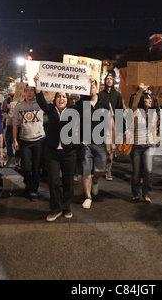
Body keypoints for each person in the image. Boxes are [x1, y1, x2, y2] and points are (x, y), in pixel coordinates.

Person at [34, 74, 79, 221]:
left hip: (69, 152)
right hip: (52, 152)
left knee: (68, 181)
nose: (61, 99)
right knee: (53, 181)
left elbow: (85, 101)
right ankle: (55, 208)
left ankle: (66, 207)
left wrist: (90, 86)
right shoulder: (50, 110)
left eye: (64, 97)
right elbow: (40, 100)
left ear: (68, 99)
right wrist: (37, 84)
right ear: (55, 99)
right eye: (59, 96)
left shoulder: (73, 111)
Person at [74, 77, 116, 209]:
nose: (91, 89)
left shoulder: (104, 102)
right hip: (85, 142)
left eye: (93, 87)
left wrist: (113, 142)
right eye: (88, 87)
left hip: (100, 141)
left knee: (101, 168)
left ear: (97, 88)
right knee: (86, 170)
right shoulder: (82, 102)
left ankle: (95, 180)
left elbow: (111, 124)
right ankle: (87, 197)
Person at [12, 85, 45, 200]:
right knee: (25, 167)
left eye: (32, 90)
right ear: (24, 92)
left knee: (36, 166)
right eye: (28, 90)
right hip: (25, 139)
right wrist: (15, 139)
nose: (30, 93)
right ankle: (28, 182)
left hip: (39, 139)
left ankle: (34, 190)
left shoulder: (40, 103)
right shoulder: (19, 106)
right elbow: (15, 123)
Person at [129, 84, 158, 203]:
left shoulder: (153, 113)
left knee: (149, 170)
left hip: (148, 146)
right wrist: (141, 91)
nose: (149, 100)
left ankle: (146, 193)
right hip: (137, 145)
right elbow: (133, 105)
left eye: (150, 99)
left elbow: (154, 129)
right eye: (147, 98)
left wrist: (155, 142)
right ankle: (136, 193)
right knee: (136, 172)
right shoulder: (137, 112)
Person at [99, 73, 124, 181]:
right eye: (107, 79)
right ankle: (100, 169)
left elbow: (119, 111)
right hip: (101, 125)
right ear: (105, 81)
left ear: (113, 81)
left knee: (111, 151)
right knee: (101, 149)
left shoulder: (117, 95)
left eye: (110, 79)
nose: (109, 81)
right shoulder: (100, 94)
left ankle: (108, 171)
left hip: (112, 126)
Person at [1, 86, 20, 168]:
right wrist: (5, 107)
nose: (12, 97)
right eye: (11, 95)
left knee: (18, 141)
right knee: (8, 141)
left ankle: (17, 158)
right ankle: (10, 155)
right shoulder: (6, 100)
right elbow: (1, 110)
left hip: (18, 124)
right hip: (9, 123)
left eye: (13, 95)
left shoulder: (20, 101)